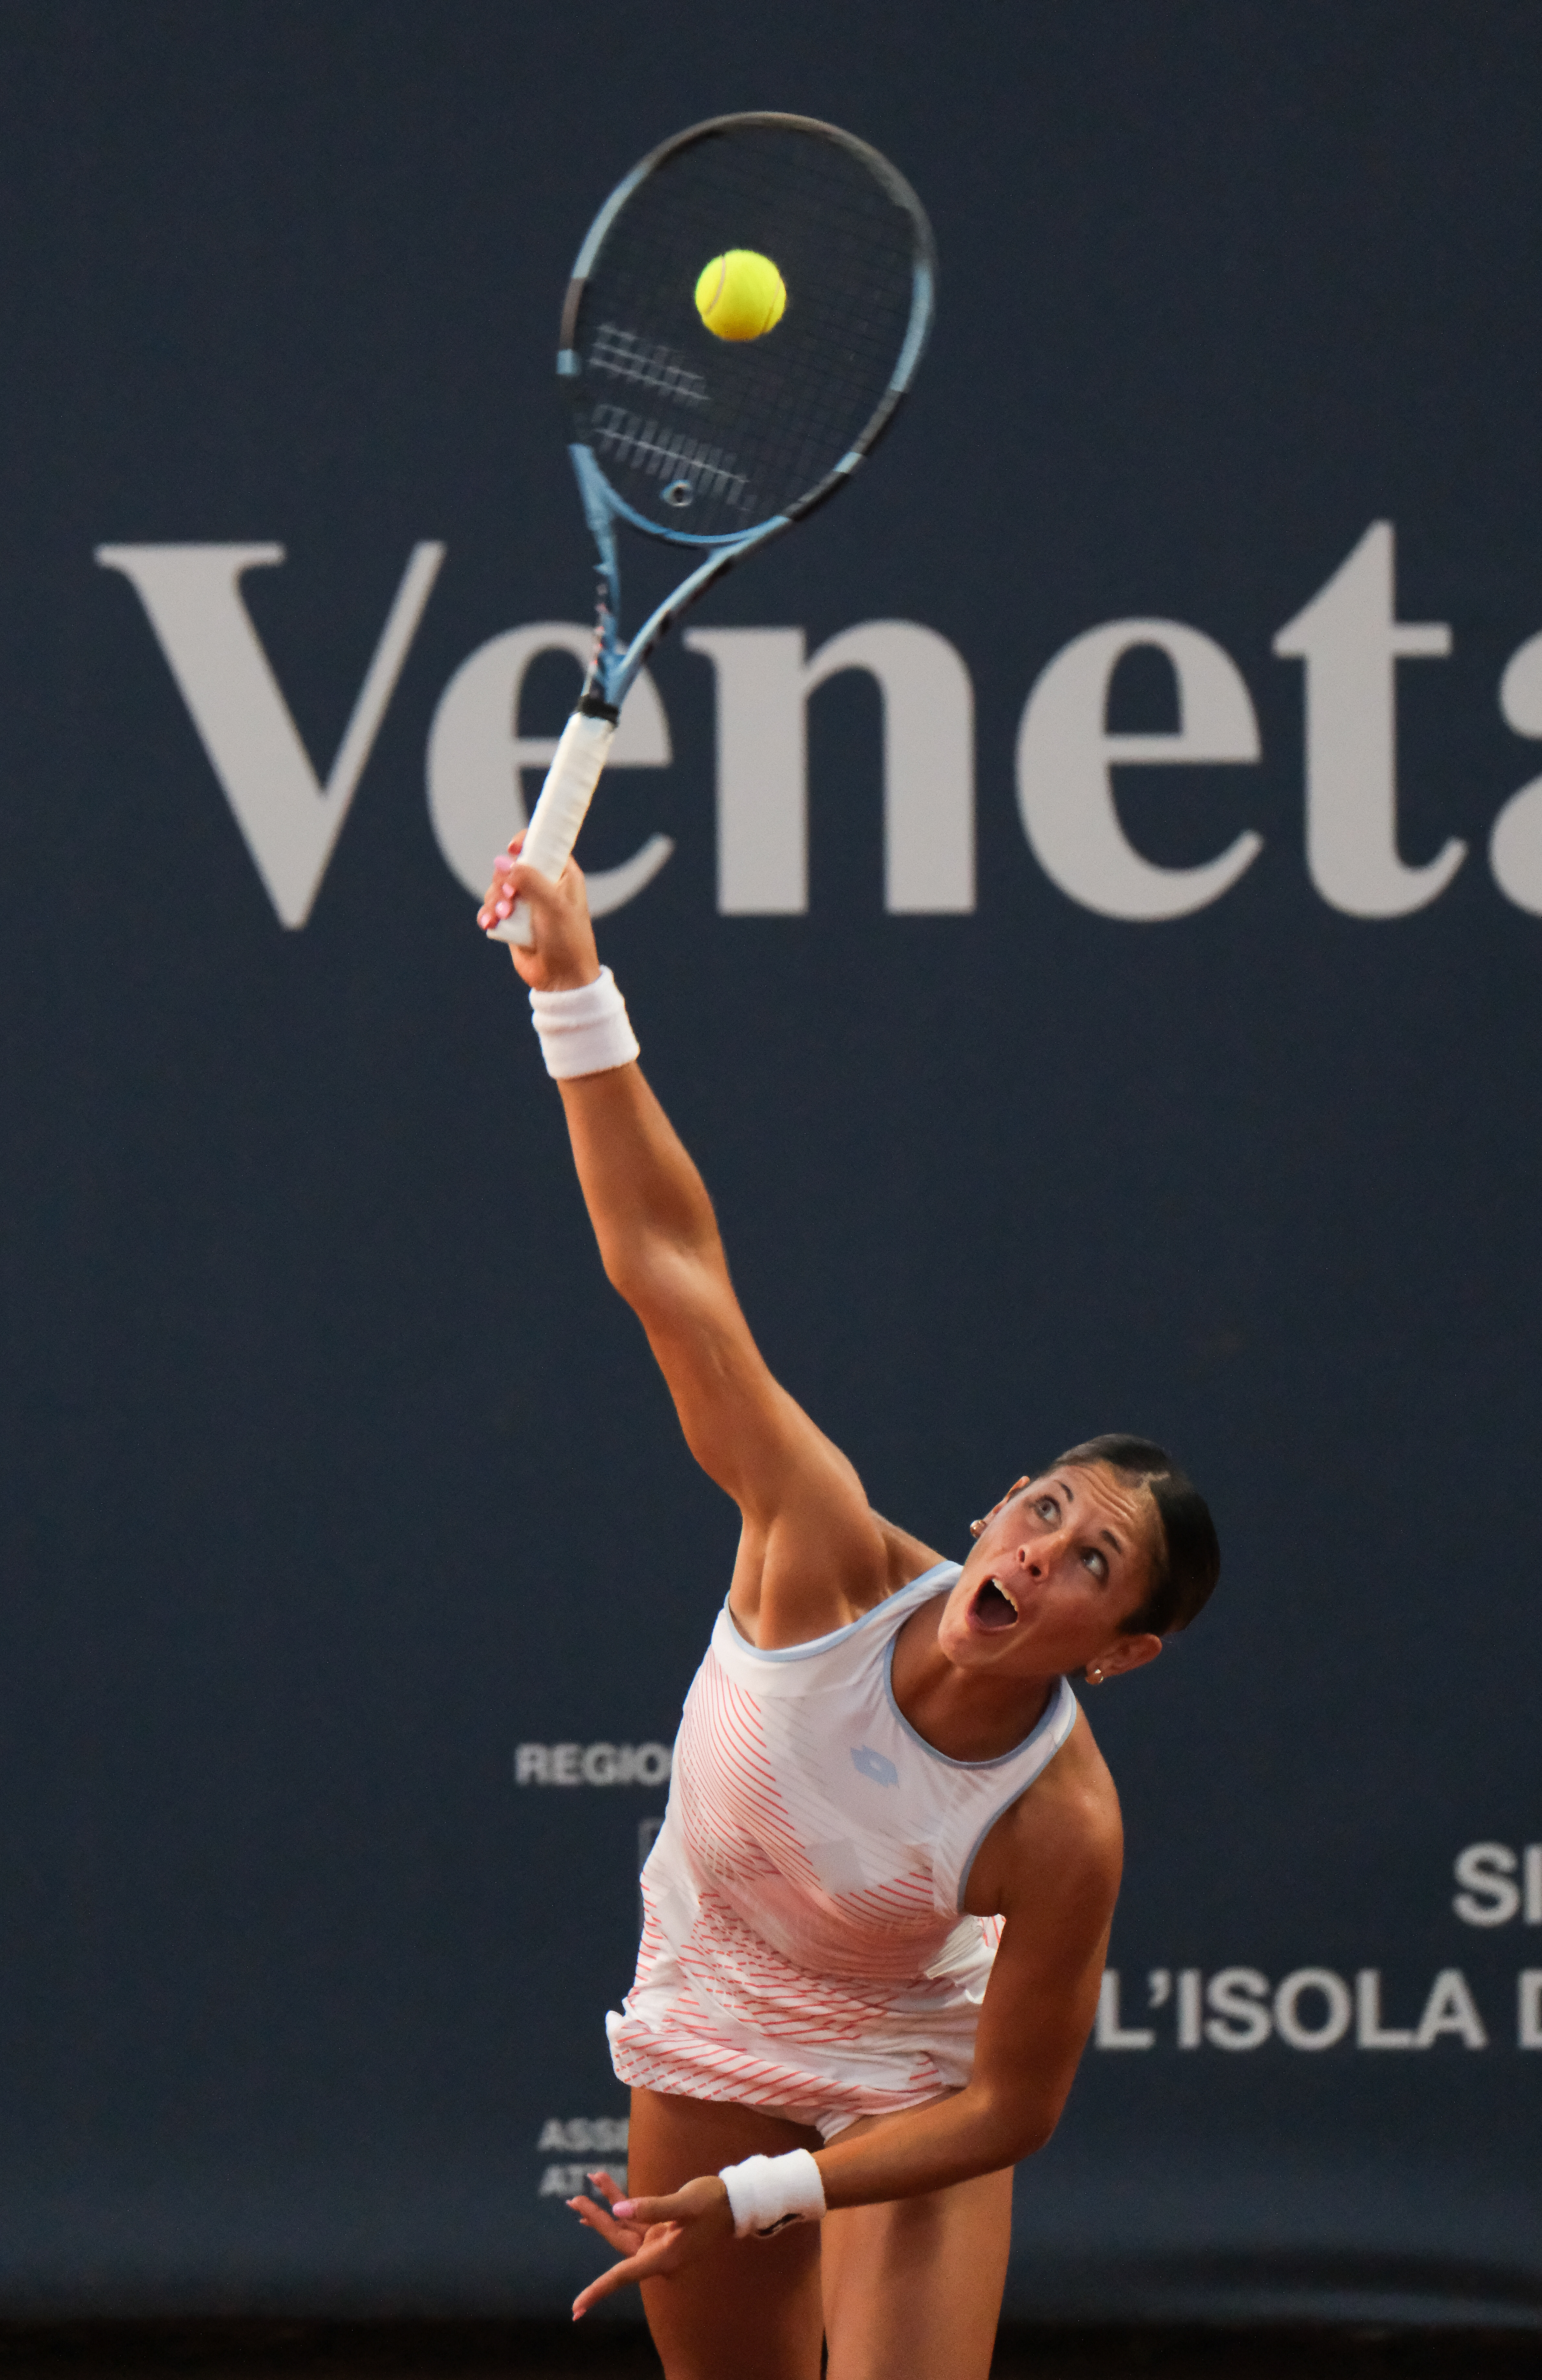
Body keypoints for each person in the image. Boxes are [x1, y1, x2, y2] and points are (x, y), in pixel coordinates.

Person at [479, 840, 1220, 2380]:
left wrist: (776, 2194)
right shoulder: (816, 1549)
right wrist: (572, 991)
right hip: (717, 2023)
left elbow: (1015, 2106)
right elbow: (669, 1268)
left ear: (1124, 1650)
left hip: (913, 2083)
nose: (1040, 1554)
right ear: (992, 1511)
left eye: (1093, 1564)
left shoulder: (1061, 1823)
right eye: (1044, 1511)